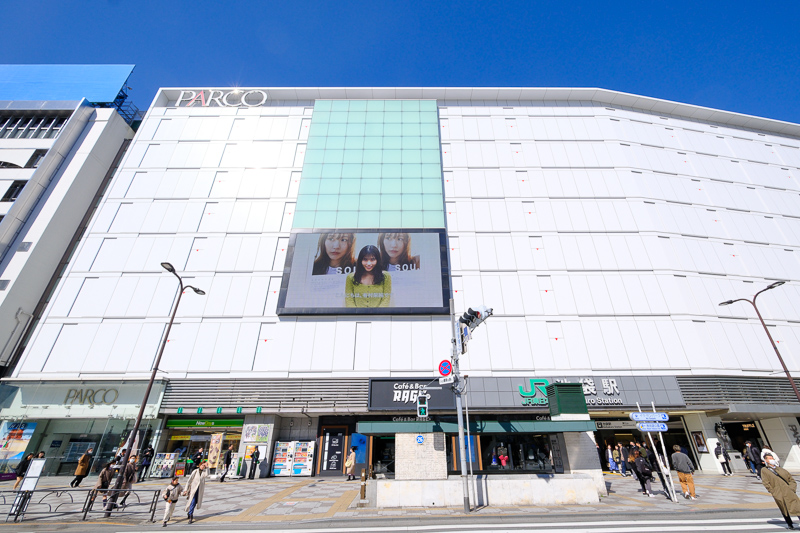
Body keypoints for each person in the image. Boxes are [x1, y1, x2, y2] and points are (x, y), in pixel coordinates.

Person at [762, 453, 800, 530]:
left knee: (797, 507)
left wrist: (792, 489)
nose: (771, 459)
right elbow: (766, 482)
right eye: (769, 458)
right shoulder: (764, 470)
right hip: (778, 492)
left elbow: (791, 480)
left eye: (772, 458)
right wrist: (773, 491)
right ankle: (789, 524)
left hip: (789, 491)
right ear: (766, 460)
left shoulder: (781, 469)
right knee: (784, 508)